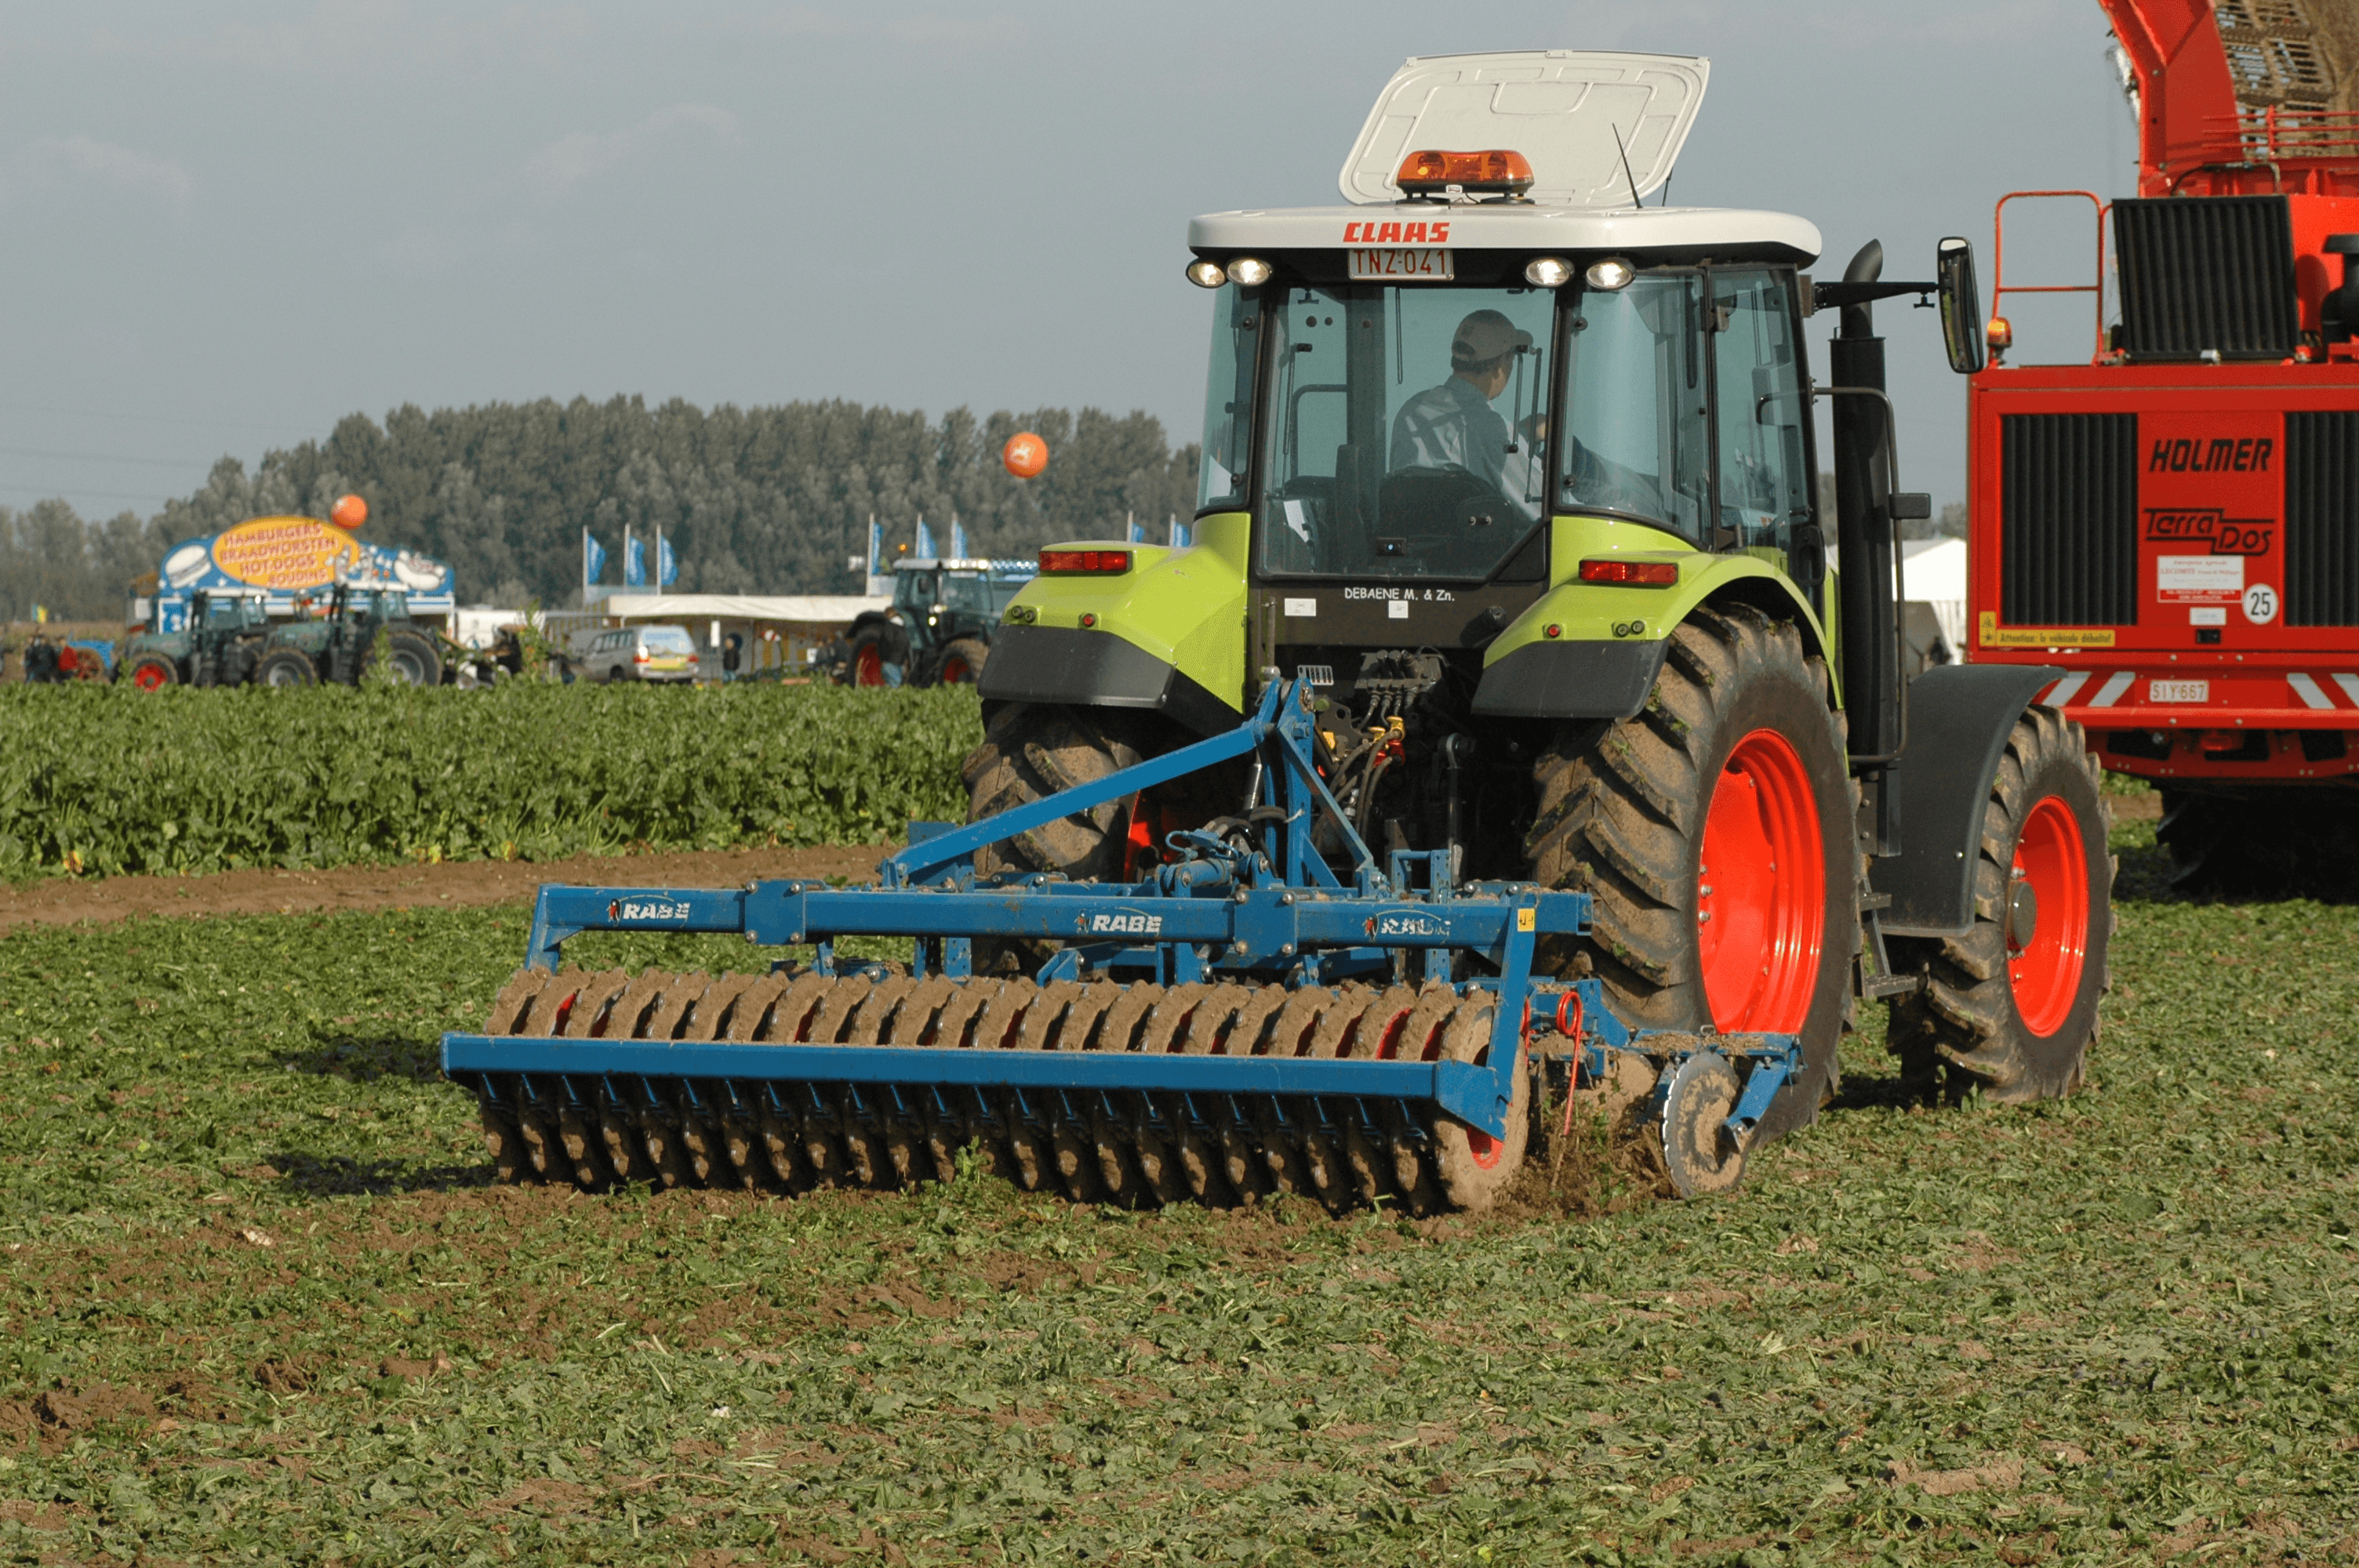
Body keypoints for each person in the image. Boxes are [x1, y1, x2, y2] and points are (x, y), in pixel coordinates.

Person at [1388, 310, 1547, 523]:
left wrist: (1523, 435)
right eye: (1512, 359)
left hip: (1415, 545)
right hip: (1482, 553)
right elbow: (1541, 507)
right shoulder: (1489, 427)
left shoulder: (1411, 409)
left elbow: (1452, 453)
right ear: (1500, 367)